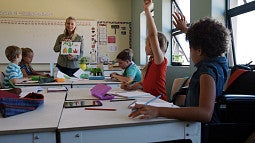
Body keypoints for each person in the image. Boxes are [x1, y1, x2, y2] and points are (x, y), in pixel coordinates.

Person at [129, 0, 230, 124]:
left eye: (190, 47)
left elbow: (205, 113)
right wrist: (185, 30)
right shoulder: (219, 62)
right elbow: (208, 41)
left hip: (200, 131)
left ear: (199, 50)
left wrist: (158, 111)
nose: (190, 51)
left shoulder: (207, 73)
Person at [121, 1, 169, 101]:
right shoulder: (151, 62)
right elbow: (143, 84)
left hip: (159, 102)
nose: (144, 47)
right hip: (149, 99)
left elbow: (153, 35)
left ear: (152, 46)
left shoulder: (159, 61)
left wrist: (147, 10)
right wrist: (129, 87)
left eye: (146, 44)